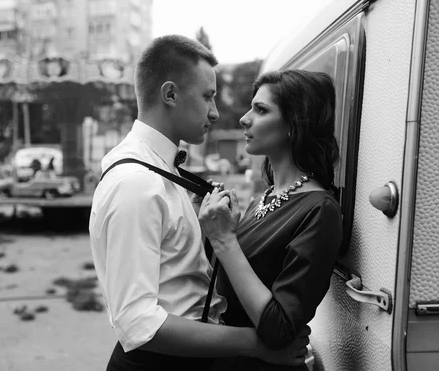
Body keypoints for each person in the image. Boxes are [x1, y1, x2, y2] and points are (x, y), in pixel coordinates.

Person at [89, 35, 309, 371]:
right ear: (171, 94)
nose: (216, 112)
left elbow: (175, 274)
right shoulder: (136, 182)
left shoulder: (161, 171)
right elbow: (138, 323)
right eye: (208, 97)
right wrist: (255, 344)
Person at [199, 69, 343, 370]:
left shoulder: (319, 210)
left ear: (294, 124)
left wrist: (225, 241)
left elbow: (279, 330)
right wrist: (209, 227)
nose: (244, 118)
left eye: (261, 110)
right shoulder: (261, 199)